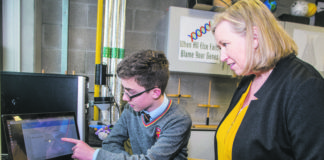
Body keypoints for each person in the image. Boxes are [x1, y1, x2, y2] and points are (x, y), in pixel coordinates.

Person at [212, 0, 324, 160]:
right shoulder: (247, 81)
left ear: (255, 37)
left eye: (225, 44)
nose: (222, 57)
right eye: (219, 48)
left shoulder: (305, 85)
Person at [62, 50, 192, 160]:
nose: (125, 98)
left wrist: (95, 155)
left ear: (155, 92)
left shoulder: (178, 119)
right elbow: (110, 142)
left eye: (131, 92)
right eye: (124, 90)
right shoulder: (131, 109)